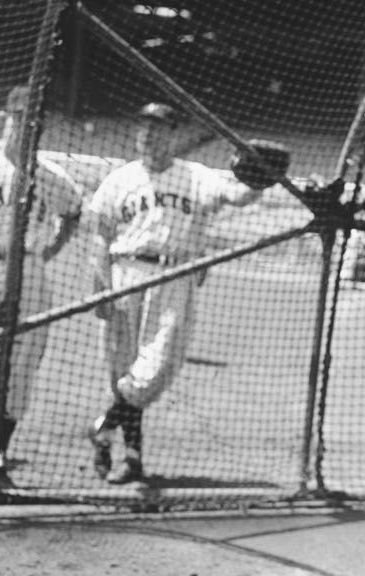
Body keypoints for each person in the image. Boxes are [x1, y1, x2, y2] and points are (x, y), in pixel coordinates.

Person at [86, 102, 268, 484]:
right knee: (124, 370)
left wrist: (260, 178)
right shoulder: (119, 180)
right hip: (126, 274)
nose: (149, 134)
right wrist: (99, 286)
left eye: (158, 128)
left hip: (174, 276)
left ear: (173, 134)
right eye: (144, 127)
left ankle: (103, 426)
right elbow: (100, 239)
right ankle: (132, 457)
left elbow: (238, 197)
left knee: (157, 367)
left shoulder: (196, 176)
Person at [0, 85, 82, 490]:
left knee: (19, 369)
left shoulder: (51, 178)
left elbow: (73, 213)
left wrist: (46, 252)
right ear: (3, 118)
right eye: (19, 117)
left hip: (27, 273)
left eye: (34, 120)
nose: (26, 126)